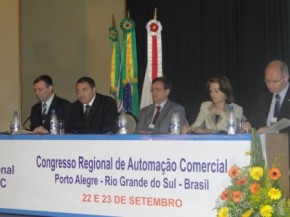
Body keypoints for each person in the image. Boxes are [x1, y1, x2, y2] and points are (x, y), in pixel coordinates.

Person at [244, 60, 290, 133]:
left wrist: (273, 130)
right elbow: (253, 118)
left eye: (275, 81)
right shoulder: (263, 98)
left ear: (286, 78)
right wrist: (248, 123)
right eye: (267, 81)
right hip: (265, 142)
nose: (270, 85)